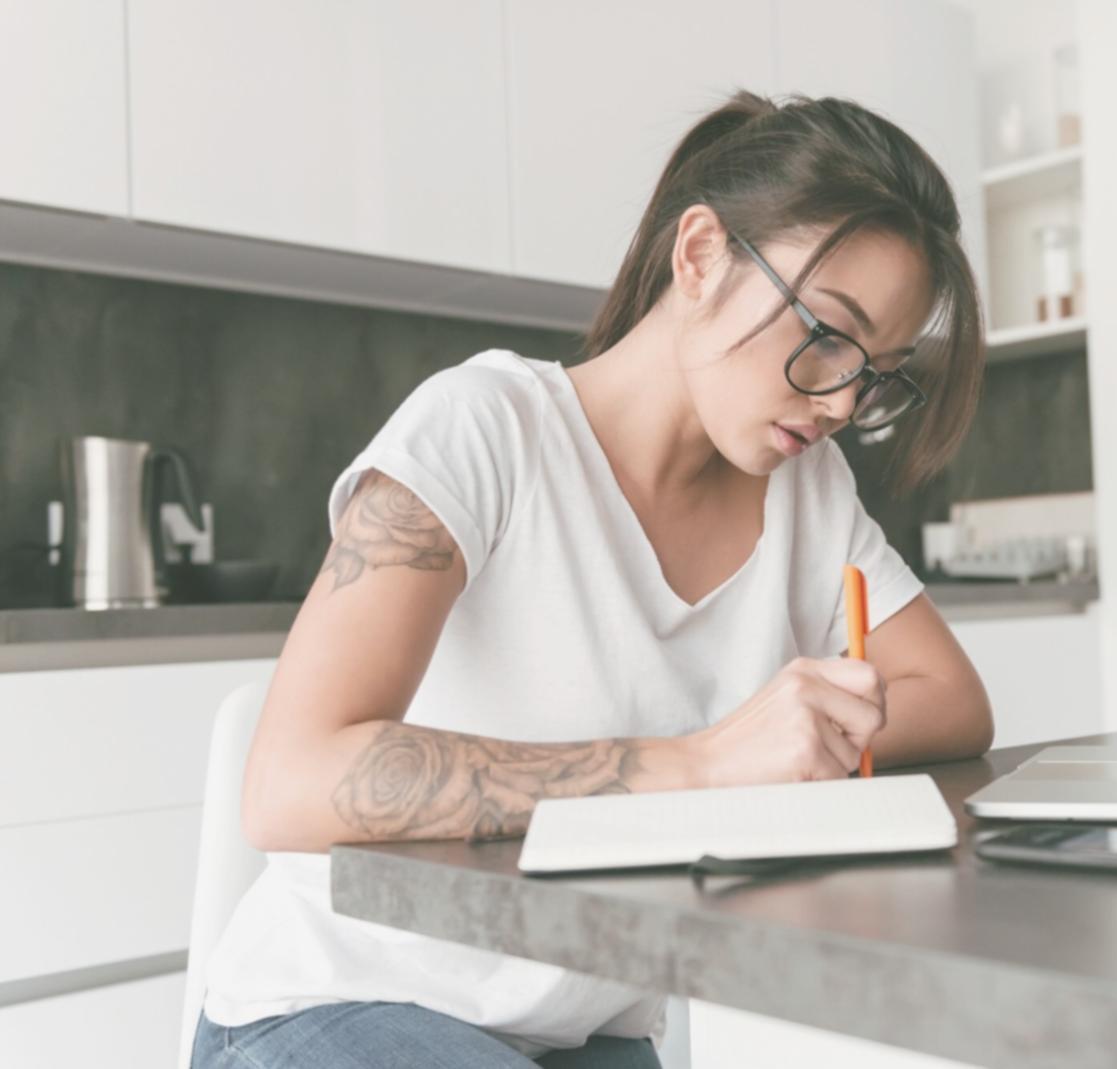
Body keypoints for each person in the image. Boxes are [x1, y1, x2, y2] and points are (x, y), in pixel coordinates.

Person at [191, 88, 993, 1069]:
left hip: (580, 1031)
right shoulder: (484, 428)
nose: (839, 399)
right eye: (825, 333)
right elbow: (288, 782)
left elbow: (952, 699)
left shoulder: (807, 486)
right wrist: (703, 762)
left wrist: (790, 733)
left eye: (877, 372)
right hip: (340, 1006)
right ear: (699, 255)